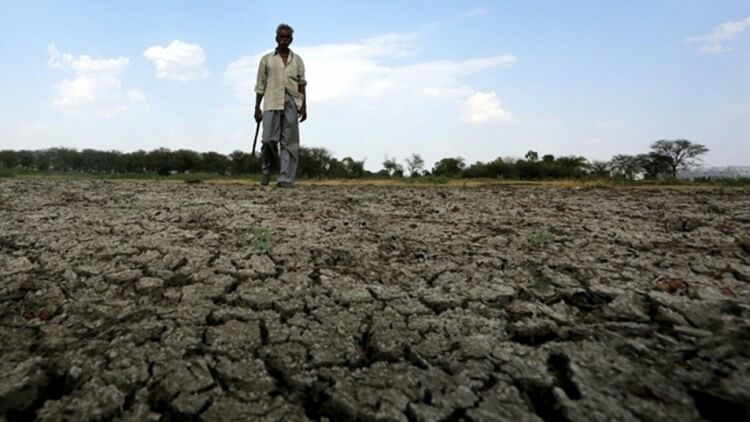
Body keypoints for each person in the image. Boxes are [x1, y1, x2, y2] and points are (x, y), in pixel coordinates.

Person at [254, 23, 307, 187]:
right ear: (276, 38)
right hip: (271, 101)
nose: (284, 40)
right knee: (268, 139)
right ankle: (267, 169)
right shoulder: (267, 59)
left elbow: (302, 84)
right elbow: (260, 85)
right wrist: (257, 107)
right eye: (281, 37)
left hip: (292, 101)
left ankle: (285, 178)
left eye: (287, 37)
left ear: (291, 40)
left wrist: (304, 106)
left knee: (289, 143)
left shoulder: (297, 60)